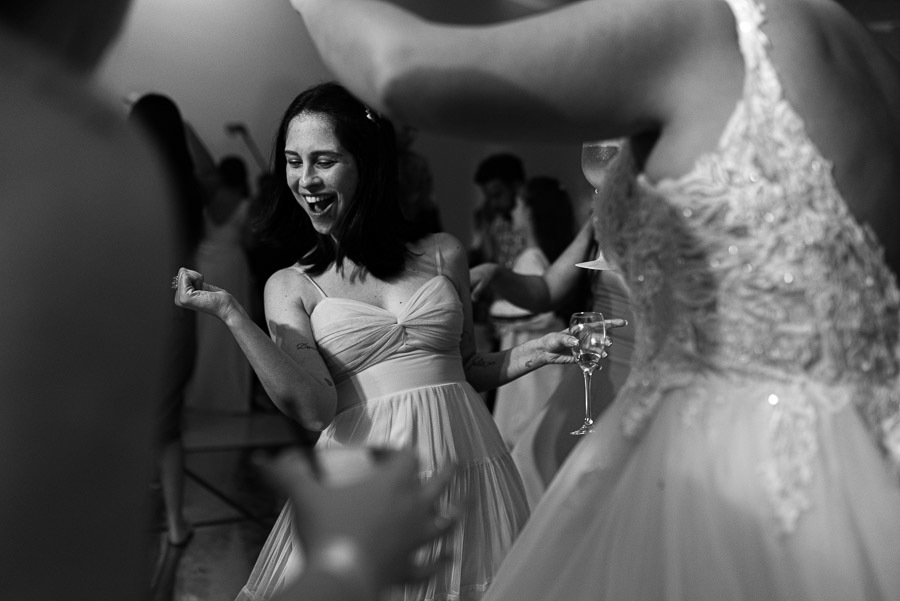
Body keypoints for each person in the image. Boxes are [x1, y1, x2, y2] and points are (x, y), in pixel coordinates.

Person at [287, 0, 900, 599]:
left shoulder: (699, 24)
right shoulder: (853, 42)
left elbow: (395, 67)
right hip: (870, 455)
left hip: (727, 468)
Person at [173, 81, 578, 601]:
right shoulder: (291, 285)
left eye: (323, 160)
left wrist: (533, 353)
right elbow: (314, 408)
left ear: (365, 165)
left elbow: (466, 366)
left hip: (468, 467)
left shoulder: (442, 254)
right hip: (366, 485)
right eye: (294, 162)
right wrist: (231, 313)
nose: (305, 179)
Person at [471, 151, 636, 506]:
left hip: (640, 366)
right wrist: (496, 274)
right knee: (536, 460)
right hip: (594, 366)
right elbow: (546, 290)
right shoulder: (598, 221)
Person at [128, 92, 205, 552]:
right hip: (177, 310)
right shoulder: (187, 185)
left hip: (132, 313)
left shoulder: (128, 179)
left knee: (133, 422)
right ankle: (176, 523)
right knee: (167, 425)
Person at [488, 177, 573, 446]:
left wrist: (494, 310)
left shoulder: (531, 258)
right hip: (533, 359)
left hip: (530, 368)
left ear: (530, 211)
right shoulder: (541, 256)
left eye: (518, 205)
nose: (513, 212)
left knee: (523, 436)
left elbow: (536, 311)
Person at [187, 154, 255, 414]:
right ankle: (230, 395)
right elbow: (249, 241)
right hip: (232, 265)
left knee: (204, 330)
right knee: (232, 325)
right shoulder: (244, 204)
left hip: (204, 263)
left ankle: (200, 392)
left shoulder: (207, 199)